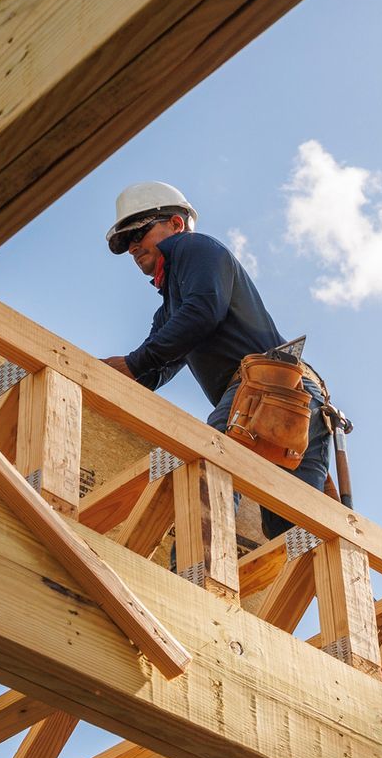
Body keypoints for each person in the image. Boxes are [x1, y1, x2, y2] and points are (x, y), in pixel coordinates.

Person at [99, 182, 331, 537]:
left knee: (211, 467)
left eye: (140, 232)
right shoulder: (173, 307)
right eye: (126, 243)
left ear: (176, 224)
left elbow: (201, 313)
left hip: (270, 389)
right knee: (291, 532)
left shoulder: (194, 247)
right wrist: (109, 376)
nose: (133, 247)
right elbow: (159, 361)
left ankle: (194, 579)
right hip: (287, 398)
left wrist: (132, 363)